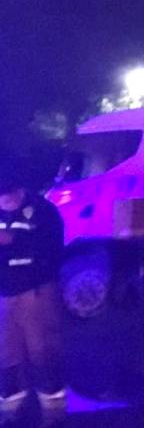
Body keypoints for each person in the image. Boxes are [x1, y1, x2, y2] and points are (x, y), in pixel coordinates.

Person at [0, 161, 66, 425]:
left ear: (21, 189)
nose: (5, 201)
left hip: (37, 293)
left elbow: (53, 249)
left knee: (43, 350)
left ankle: (53, 409)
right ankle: (10, 407)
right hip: (4, 295)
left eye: (9, 194)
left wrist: (13, 241)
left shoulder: (44, 211)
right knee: (6, 353)